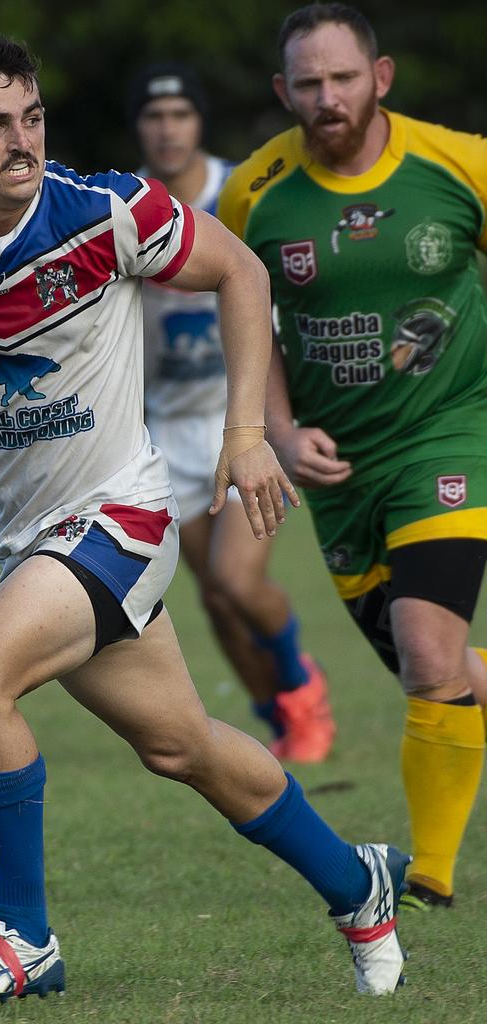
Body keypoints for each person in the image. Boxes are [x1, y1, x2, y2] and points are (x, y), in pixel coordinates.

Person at [0, 35, 411, 1002]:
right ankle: (358, 883)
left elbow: (241, 273)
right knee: (181, 745)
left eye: (32, 119)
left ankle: (24, 937)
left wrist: (245, 434)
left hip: (121, 515)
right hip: (31, 543)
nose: (20, 143)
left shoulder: (104, 211)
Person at [218, 2, 487, 912]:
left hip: (451, 431)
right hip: (337, 469)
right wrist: (279, 435)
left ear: (382, 77)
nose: (327, 97)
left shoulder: (462, 164)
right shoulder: (254, 194)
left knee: (426, 648)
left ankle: (433, 874)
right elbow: (245, 328)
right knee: (439, 674)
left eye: (343, 77)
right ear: (282, 91)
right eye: (309, 82)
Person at [129, 62, 335, 762]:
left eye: (180, 115)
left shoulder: (237, 193)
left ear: (198, 124)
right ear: (141, 129)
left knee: (238, 582)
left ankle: (302, 684)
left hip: (245, 417)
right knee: (214, 600)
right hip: (166, 429)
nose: (167, 129)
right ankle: (276, 714)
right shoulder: (127, 210)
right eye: (154, 118)